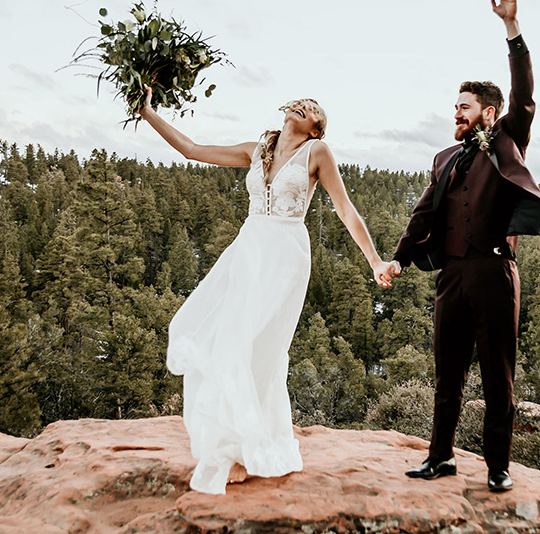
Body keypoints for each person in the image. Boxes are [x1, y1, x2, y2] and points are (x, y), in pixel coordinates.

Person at [138, 88, 395, 494]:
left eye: (313, 109)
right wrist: (148, 112)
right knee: (227, 338)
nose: (303, 105)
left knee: (263, 349)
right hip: (248, 249)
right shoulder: (256, 150)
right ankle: (235, 446)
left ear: (316, 128)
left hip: (287, 255)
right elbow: (191, 149)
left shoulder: (318, 153)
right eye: (301, 100)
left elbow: (345, 209)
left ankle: (246, 449)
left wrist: (376, 261)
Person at [381, 0, 540, 492]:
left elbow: (524, 92)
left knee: (498, 376)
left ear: (488, 112)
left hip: (495, 271)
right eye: (455, 106)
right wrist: (397, 260)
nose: (456, 112)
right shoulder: (443, 159)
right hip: (451, 274)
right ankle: (440, 457)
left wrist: (511, 28)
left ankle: (498, 467)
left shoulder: (506, 139)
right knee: (447, 373)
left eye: (465, 106)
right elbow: (422, 213)